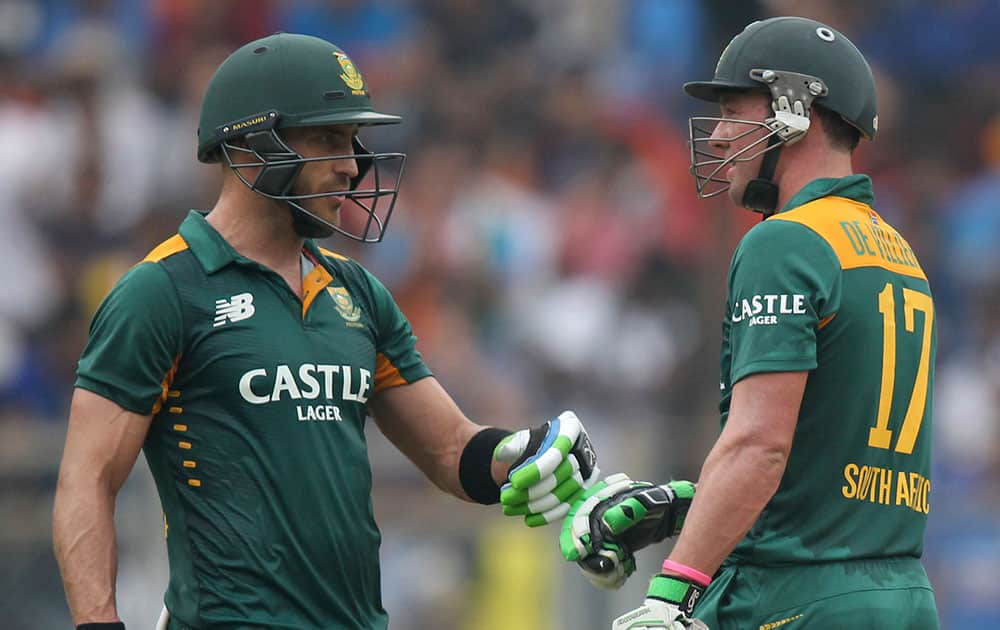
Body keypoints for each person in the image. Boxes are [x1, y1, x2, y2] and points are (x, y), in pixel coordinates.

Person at [52, 33, 599, 630]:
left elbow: (450, 450)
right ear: (253, 145)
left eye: (354, 142)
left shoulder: (359, 293)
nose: (353, 164)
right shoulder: (162, 290)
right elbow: (88, 479)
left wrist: (526, 455)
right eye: (328, 139)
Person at [560, 16, 939, 629]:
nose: (715, 137)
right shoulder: (895, 248)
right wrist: (692, 505)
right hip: (900, 597)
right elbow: (826, 468)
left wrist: (671, 593)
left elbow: (761, 445)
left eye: (734, 110)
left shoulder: (785, 242)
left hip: (795, 601)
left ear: (795, 111)